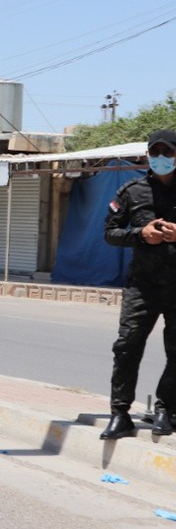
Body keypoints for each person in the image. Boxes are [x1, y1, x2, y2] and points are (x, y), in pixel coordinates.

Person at [101, 129, 176, 440]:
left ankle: (166, 409)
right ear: (148, 155)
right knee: (127, 347)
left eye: (167, 153)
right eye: (155, 153)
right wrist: (140, 234)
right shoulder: (131, 191)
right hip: (141, 285)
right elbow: (109, 233)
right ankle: (120, 414)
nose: (160, 159)